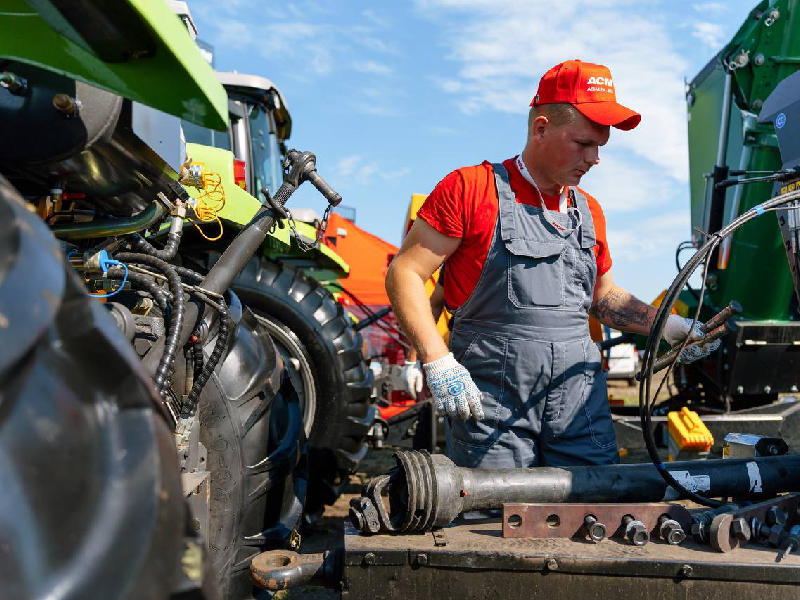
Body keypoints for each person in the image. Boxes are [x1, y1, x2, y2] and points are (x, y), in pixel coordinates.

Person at [385, 59, 720, 469]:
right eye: (583, 143)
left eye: (601, 145)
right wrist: (436, 360)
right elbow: (406, 272)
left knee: (596, 513)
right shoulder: (471, 190)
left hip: (578, 402)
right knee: (494, 520)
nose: (595, 158)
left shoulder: (589, 211)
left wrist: (670, 326)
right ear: (541, 128)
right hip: (492, 408)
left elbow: (604, 297)